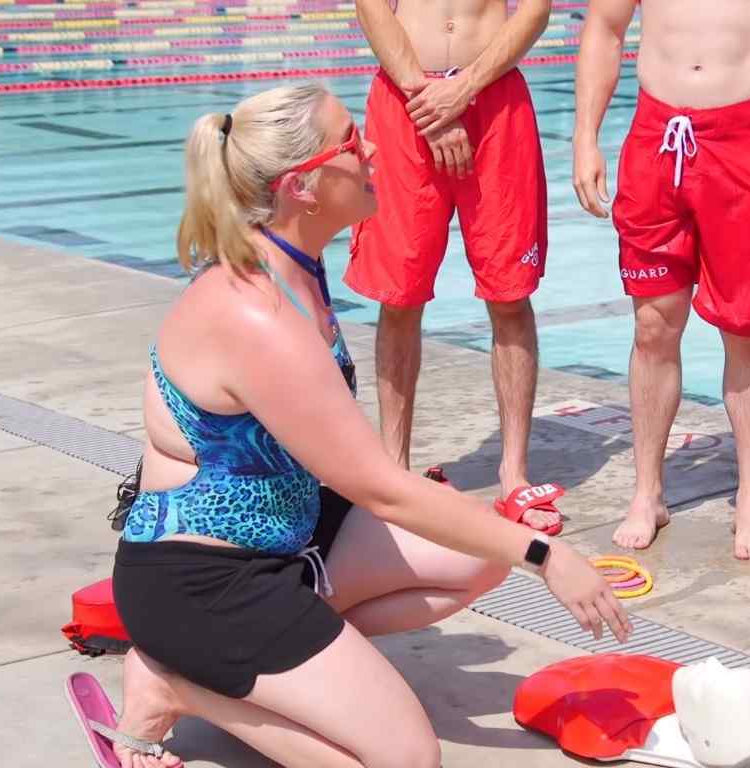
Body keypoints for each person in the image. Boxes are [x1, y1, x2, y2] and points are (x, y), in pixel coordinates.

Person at [95, 84, 629, 768]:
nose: (372, 147)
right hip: (204, 582)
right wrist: (547, 555)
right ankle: (177, 686)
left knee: (479, 552)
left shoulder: (293, 264)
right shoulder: (255, 315)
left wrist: (513, 545)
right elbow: (383, 489)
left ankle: (293, 661)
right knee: (406, 760)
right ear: (303, 187)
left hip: (292, 541)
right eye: (351, 141)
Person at [573, 0, 750, 560]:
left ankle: (749, 498)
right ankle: (648, 491)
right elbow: (604, 26)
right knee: (653, 325)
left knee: (746, 329)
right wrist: (585, 137)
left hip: (747, 140)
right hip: (656, 135)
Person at [348, 0, 567, 536]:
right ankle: (394, 472)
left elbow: (535, 11)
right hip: (405, 104)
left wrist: (465, 87)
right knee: (399, 297)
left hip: (494, 101)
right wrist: (430, 104)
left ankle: (513, 474)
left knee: (509, 294)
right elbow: (372, 9)